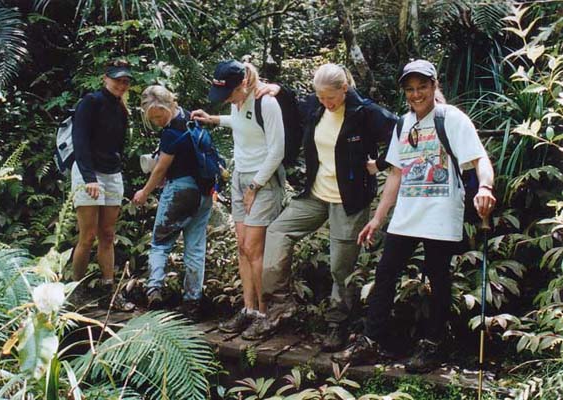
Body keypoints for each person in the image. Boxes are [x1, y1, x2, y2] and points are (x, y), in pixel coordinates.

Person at [331, 59, 496, 373]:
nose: (417, 94)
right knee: (386, 272)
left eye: (422, 87)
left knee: (438, 278)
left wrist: (485, 186)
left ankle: (433, 344)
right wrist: (378, 219)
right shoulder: (403, 124)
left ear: (434, 86)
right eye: (410, 89)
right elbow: (395, 175)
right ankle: (372, 340)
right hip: (408, 213)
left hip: (441, 213)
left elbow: (479, 159)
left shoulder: (452, 119)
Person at [248, 63, 398, 347]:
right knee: (278, 232)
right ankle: (281, 305)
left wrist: (379, 164)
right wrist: (279, 90)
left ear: (345, 89)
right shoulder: (318, 107)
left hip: (349, 199)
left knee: (341, 267)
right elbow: (297, 103)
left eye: (330, 97)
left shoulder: (364, 112)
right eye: (320, 97)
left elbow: (400, 131)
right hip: (316, 194)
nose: (325, 103)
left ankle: (337, 324)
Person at [191, 60, 285, 338]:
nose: (226, 101)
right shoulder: (238, 102)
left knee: (255, 250)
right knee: (242, 247)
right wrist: (214, 119)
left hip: (262, 181)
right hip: (240, 177)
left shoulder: (265, 103)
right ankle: (249, 308)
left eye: (229, 94)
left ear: (242, 84)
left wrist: (255, 186)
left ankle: (265, 314)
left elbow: (277, 150)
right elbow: (242, 123)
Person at [132, 85, 214, 318]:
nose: (158, 121)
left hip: (180, 191)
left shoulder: (171, 133)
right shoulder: (192, 118)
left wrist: (144, 192)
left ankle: (154, 290)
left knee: (160, 243)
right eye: (153, 118)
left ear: (170, 105)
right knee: (195, 247)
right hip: (204, 191)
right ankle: (192, 301)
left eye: (159, 115)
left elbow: (160, 170)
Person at [70, 60, 135, 311]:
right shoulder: (91, 102)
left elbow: (118, 145)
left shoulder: (121, 109)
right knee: (87, 235)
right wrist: (89, 179)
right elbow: (80, 141)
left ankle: (109, 291)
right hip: (89, 172)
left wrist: (116, 167)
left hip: (111, 173)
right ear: (105, 78)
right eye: (117, 79)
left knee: (108, 234)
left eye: (125, 81)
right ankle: (76, 291)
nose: (121, 84)